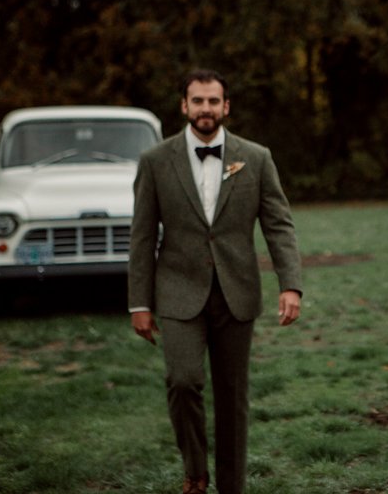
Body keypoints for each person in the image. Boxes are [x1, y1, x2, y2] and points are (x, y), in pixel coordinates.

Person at [128, 69, 304, 494]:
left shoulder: (256, 157)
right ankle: (195, 471)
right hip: (177, 292)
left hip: (236, 292)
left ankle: (231, 485)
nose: (205, 108)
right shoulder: (155, 161)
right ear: (184, 105)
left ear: (225, 106)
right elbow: (142, 235)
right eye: (197, 101)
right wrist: (139, 303)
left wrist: (290, 284)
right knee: (183, 380)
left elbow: (278, 224)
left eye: (212, 101)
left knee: (232, 396)